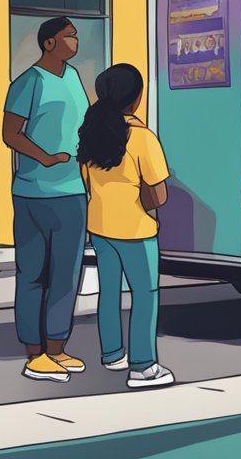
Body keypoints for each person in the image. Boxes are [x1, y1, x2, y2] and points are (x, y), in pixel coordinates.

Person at [3, 17, 91, 383]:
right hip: (33, 192)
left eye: (75, 35)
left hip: (73, 191)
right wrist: (45, 157)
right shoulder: (28, 82)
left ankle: (57, 347)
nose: (75, 41)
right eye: (68, 36)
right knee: (33, 274)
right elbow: (10, 134)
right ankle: (34, 353)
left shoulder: (73, 78)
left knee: (67, 275)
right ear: (49, 43)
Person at [77, 64, 174, 389]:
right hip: (136, 229)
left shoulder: (91, 131)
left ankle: (112, 354)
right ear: (135, 99)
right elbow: (159, 193)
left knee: (109, 292)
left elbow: (87, 180)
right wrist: (140, 204)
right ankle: (144, 366)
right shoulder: (142, 137)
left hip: (100, 225)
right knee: (145, 295)